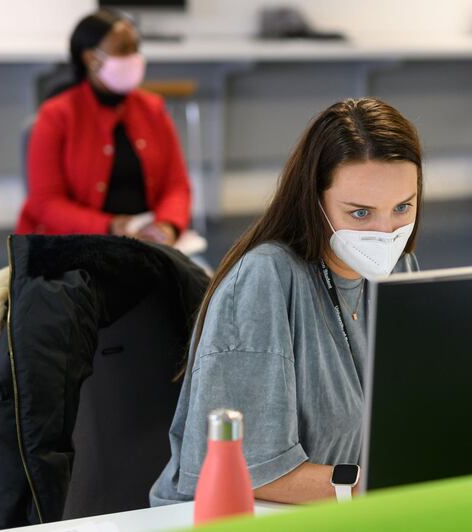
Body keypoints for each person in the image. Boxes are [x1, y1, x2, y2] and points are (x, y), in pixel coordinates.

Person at [150, 97, 423, 505]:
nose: (387, 233)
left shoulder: (401, 269)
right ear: (315, 203)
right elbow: (247, 474)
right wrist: (392, 486)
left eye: (402, 207)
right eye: (361, 214)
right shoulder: (264, 281)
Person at [15, 9, 191, 245]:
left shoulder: (153, 109)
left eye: (135, 49)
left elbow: (177, 186)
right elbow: (45, 203)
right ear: (90, 58)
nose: (133, 57)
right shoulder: (56, 115)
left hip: (143, 243)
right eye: (122, 50)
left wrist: (167, 226)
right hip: (73, 246)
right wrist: (109, 226)